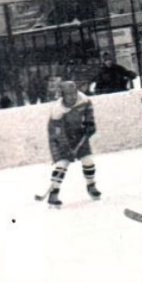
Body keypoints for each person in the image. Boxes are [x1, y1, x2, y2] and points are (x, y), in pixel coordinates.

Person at [44, 80, 100, 208]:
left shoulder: (84, 100)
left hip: (78, 133)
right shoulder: (57, 110)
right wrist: (66, 148)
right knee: (62, 164)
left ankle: (91, 186)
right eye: (69, 94)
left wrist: (90, 124)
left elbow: (88, 111)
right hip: (58, 137)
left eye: (74, 93)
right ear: (63, 95)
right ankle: (54, 193)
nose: (72, 96)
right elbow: (57, 132)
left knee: (88, 160)